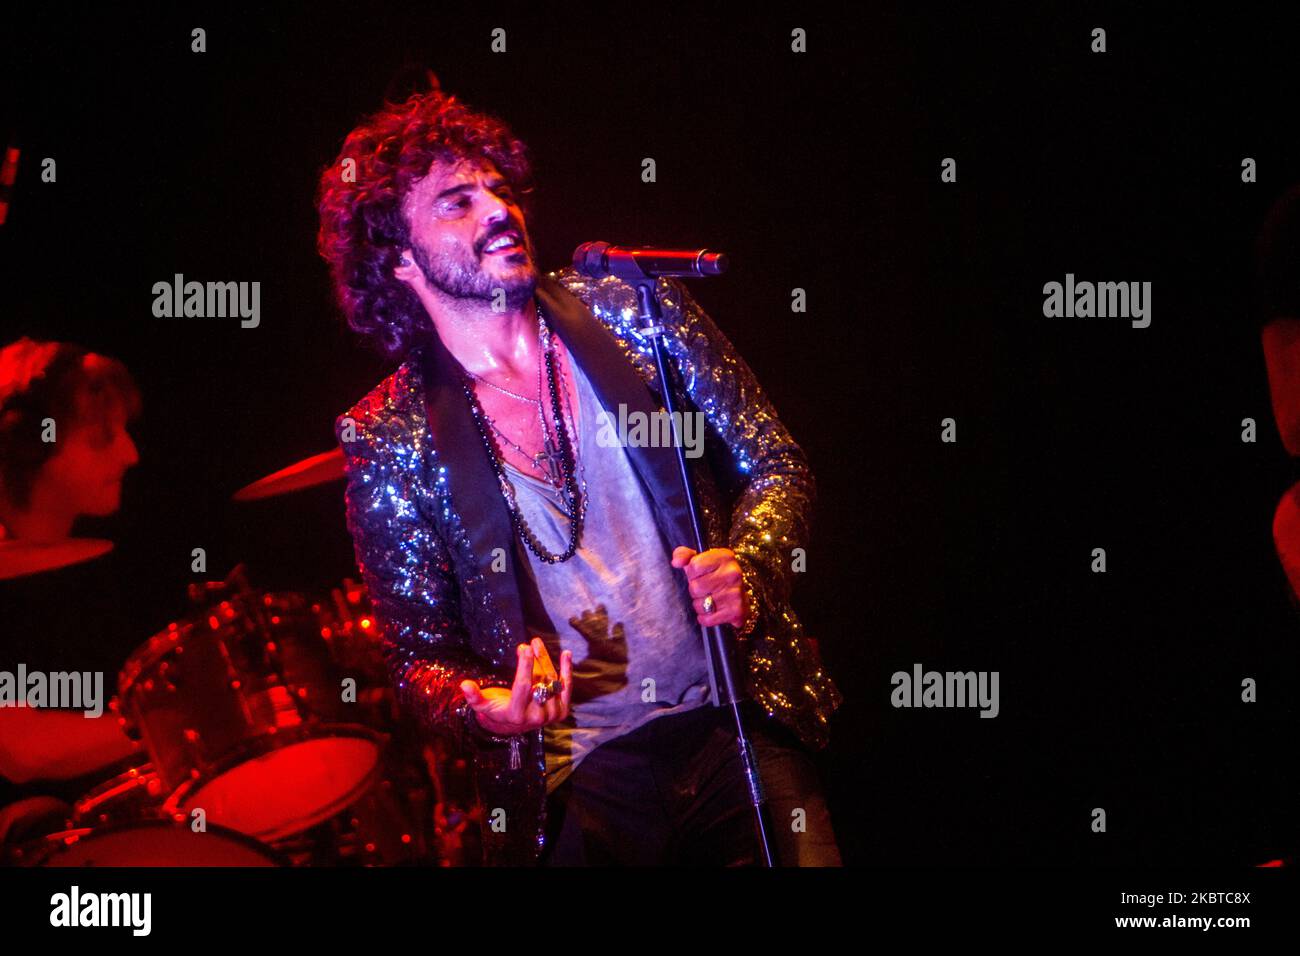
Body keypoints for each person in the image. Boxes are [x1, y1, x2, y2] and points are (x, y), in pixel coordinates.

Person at [317, 76, 843, 865]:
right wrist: (485, 707)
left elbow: (775, 461)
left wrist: (754, 565)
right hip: (581, 784)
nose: (499, 211)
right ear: (397, 261)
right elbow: (416, 657)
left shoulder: (631, 308)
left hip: (731, 726)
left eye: (499, 190)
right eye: (457, 202)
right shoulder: (389, 434)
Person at [0, 337, 145, 846]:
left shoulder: (90, 560)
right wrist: (180, 723)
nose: (131, 454)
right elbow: (22, 750)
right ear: (30, 449)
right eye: (102, 439)